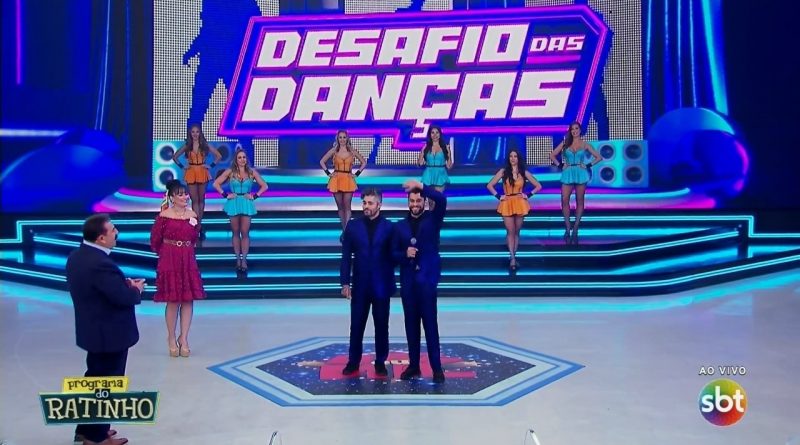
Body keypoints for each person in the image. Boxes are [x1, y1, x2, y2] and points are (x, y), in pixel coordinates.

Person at [66, 214, 144, 445]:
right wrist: (135, 290)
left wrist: (122, 285)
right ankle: (96, 437)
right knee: (106, 385)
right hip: (109, 335)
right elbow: (122, 298)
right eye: (112, 230)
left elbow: (99, 290)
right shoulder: (101, 264)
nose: (116, 232)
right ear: (101, 238)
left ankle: (86, 429)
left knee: (94, 380)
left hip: (93, 331)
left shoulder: (77, 256)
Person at [392, 179, 447, 383]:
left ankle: (436, 368)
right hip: (408, 283)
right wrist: (404, 254)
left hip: (427, 281)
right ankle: (414, 366)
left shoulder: (433, 219)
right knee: (411, 325)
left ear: (424, 202)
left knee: (430, 324)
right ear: (408, 203)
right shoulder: (399, 227)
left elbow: (441, 199)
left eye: (418, 200)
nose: (415, 204)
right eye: (412, 201)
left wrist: (421, 186)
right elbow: (392, 254)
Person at [339, 188, 396, 377]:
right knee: (356, 326)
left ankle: (380, 362)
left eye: (370, 203)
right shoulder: (353, 226)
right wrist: (345, 282)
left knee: (382, 326)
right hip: (360, 286)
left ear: (379, 204)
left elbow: (394, 255)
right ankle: (353, 362)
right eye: (364, 203)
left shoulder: (389, 227)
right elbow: (346, 256)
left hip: (381, 286)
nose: (366, 206)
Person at [150, 180, 206, 358]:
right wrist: (167, 253)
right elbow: (155, 240)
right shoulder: (164, 216)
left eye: (186, 194)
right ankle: (171, 337)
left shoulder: (192, 214)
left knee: (188, 300)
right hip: (170, 258)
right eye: (180, 194)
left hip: (187, 258)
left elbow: (195, 236)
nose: (185, 197)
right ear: (172, 197)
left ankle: (184, 338)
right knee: (173, 300)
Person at [213, 149, 268, 273]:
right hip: (234, 202)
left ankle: (244, 260)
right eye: (239, 157)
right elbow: (216, 184)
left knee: (245, 232)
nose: (242, 159)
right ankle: (237, 258)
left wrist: (255, 196)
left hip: (247, 203)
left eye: (244, 157)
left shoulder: (251, 172)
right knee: (235, 232)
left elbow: (265, 186)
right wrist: (225, 195)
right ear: (236, 160)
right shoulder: (230, 172)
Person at [487, 148, 542, 271]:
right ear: (508, 158)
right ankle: (512, 257)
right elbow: (489, 185)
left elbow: (538, 186)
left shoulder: (523, 172)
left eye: (515, 156)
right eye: (511, 156)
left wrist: (528, 195)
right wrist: (498, 196)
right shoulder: (503, 172)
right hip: (507, 203)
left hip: (520, 203)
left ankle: (514, 256)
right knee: (510, 231)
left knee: (516, 232)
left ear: (518, 158)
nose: (513, 158)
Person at [549, 122, 602, 244]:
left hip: (580, 173)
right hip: (568, 172)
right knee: (564, 200)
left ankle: (576, 229)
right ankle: (568, 228)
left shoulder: (585, 144)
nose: (574, 131)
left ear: (580, 130)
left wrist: (588, 165)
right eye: (572, 129)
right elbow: (552, 155)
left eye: (576, 128)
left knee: (580, 201)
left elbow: (599, 157)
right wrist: (560, 165)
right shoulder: (565, 143)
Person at [172, 123, 222, 238]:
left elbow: (219, 156)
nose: (195, 134)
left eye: (197, 132)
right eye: (193, 132)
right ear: (190, 133)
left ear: (200, 133)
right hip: (191, 172)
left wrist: (211, 165)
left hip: (202, 171)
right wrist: (182, 166)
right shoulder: (187, 145)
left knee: (201, 199)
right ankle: (198, 226)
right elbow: (175, 157)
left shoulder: (204, 145)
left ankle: (198, 225)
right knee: (194, 200)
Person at [319, 130, 367, 238]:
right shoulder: (334, 150)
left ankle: (347, 231)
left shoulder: (352, 151)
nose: (342, 139)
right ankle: (344, 229)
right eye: (340, 137)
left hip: (348, 179)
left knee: (347, 206)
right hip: (336, 180)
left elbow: (364, 162)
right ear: (337, 139)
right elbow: (322, 161)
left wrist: (357, 174)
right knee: (340, 207)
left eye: (344, 137)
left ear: (347, 138)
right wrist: (328, 173)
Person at [418, 125, 453, 212]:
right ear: (430, 135)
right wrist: (422, 152)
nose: (435, 135)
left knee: (438, 200)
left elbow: (449, 166)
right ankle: (432, 218)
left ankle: (438, 217)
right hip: (428, 175)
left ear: (440, 134)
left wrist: (449, 153)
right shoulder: (426, 147)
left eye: (437, 132)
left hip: (440, 175)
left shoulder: (444, 147)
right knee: (430, 202)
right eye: (432, 133)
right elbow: (420, 163)